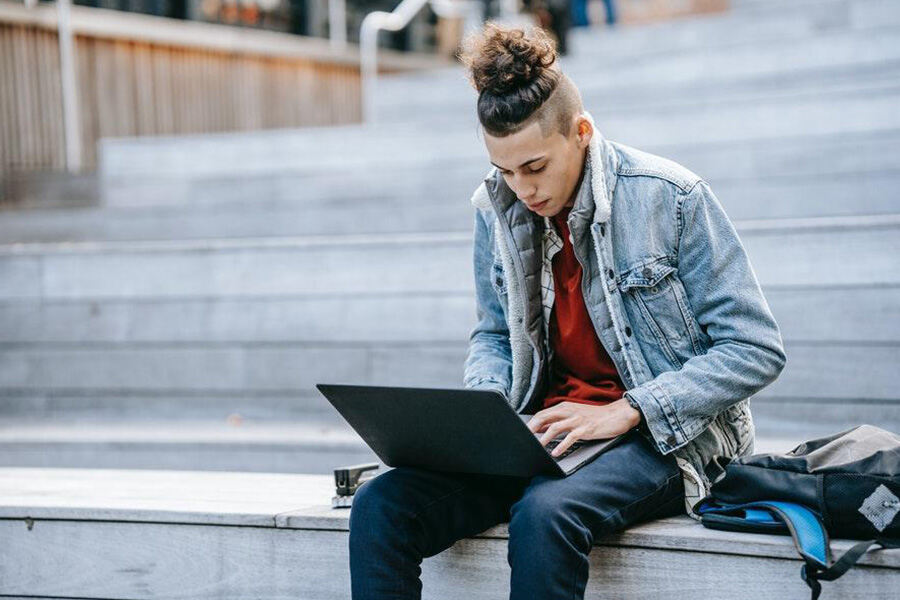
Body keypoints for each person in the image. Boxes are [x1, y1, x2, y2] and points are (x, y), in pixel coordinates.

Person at [348, 22, 786, 600]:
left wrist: (629, 410)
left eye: (534, 167)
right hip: (542, 431)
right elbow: (495, 333)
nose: (521, 188)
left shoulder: (670, 196)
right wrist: (487, 411)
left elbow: (755, 349)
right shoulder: (497, 206)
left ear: (581, 132)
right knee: (381, 503)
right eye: (505, 169)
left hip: (663, 439)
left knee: (546, 514)